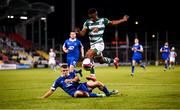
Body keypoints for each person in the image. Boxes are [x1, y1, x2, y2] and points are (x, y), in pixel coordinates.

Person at [76, 8, 129, 80]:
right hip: (93, 45)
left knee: (88, 54)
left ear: (96, 14)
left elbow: (113, 22)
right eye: (90, 17)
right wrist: (79, 32)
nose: (92, 19)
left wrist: (123, 20)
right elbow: (82, 33)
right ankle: (114, 61)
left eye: (93, 17)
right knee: (101, 61)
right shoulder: (87, 23)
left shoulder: (103, 20)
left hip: (99, 44)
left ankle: (92, 75)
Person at [39, 63, 119, 98]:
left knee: (97, 83)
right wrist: (43, 97)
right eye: (63, 70)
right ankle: (101, 95)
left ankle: (108, 93)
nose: (65, 71)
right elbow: (51, 90)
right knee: (79, 94)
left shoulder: (71, 73)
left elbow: (78, 79)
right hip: (74, 92)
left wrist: (71, 80)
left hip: (81, 86)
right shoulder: (58, 80)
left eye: (66, 70)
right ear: (61, 71)